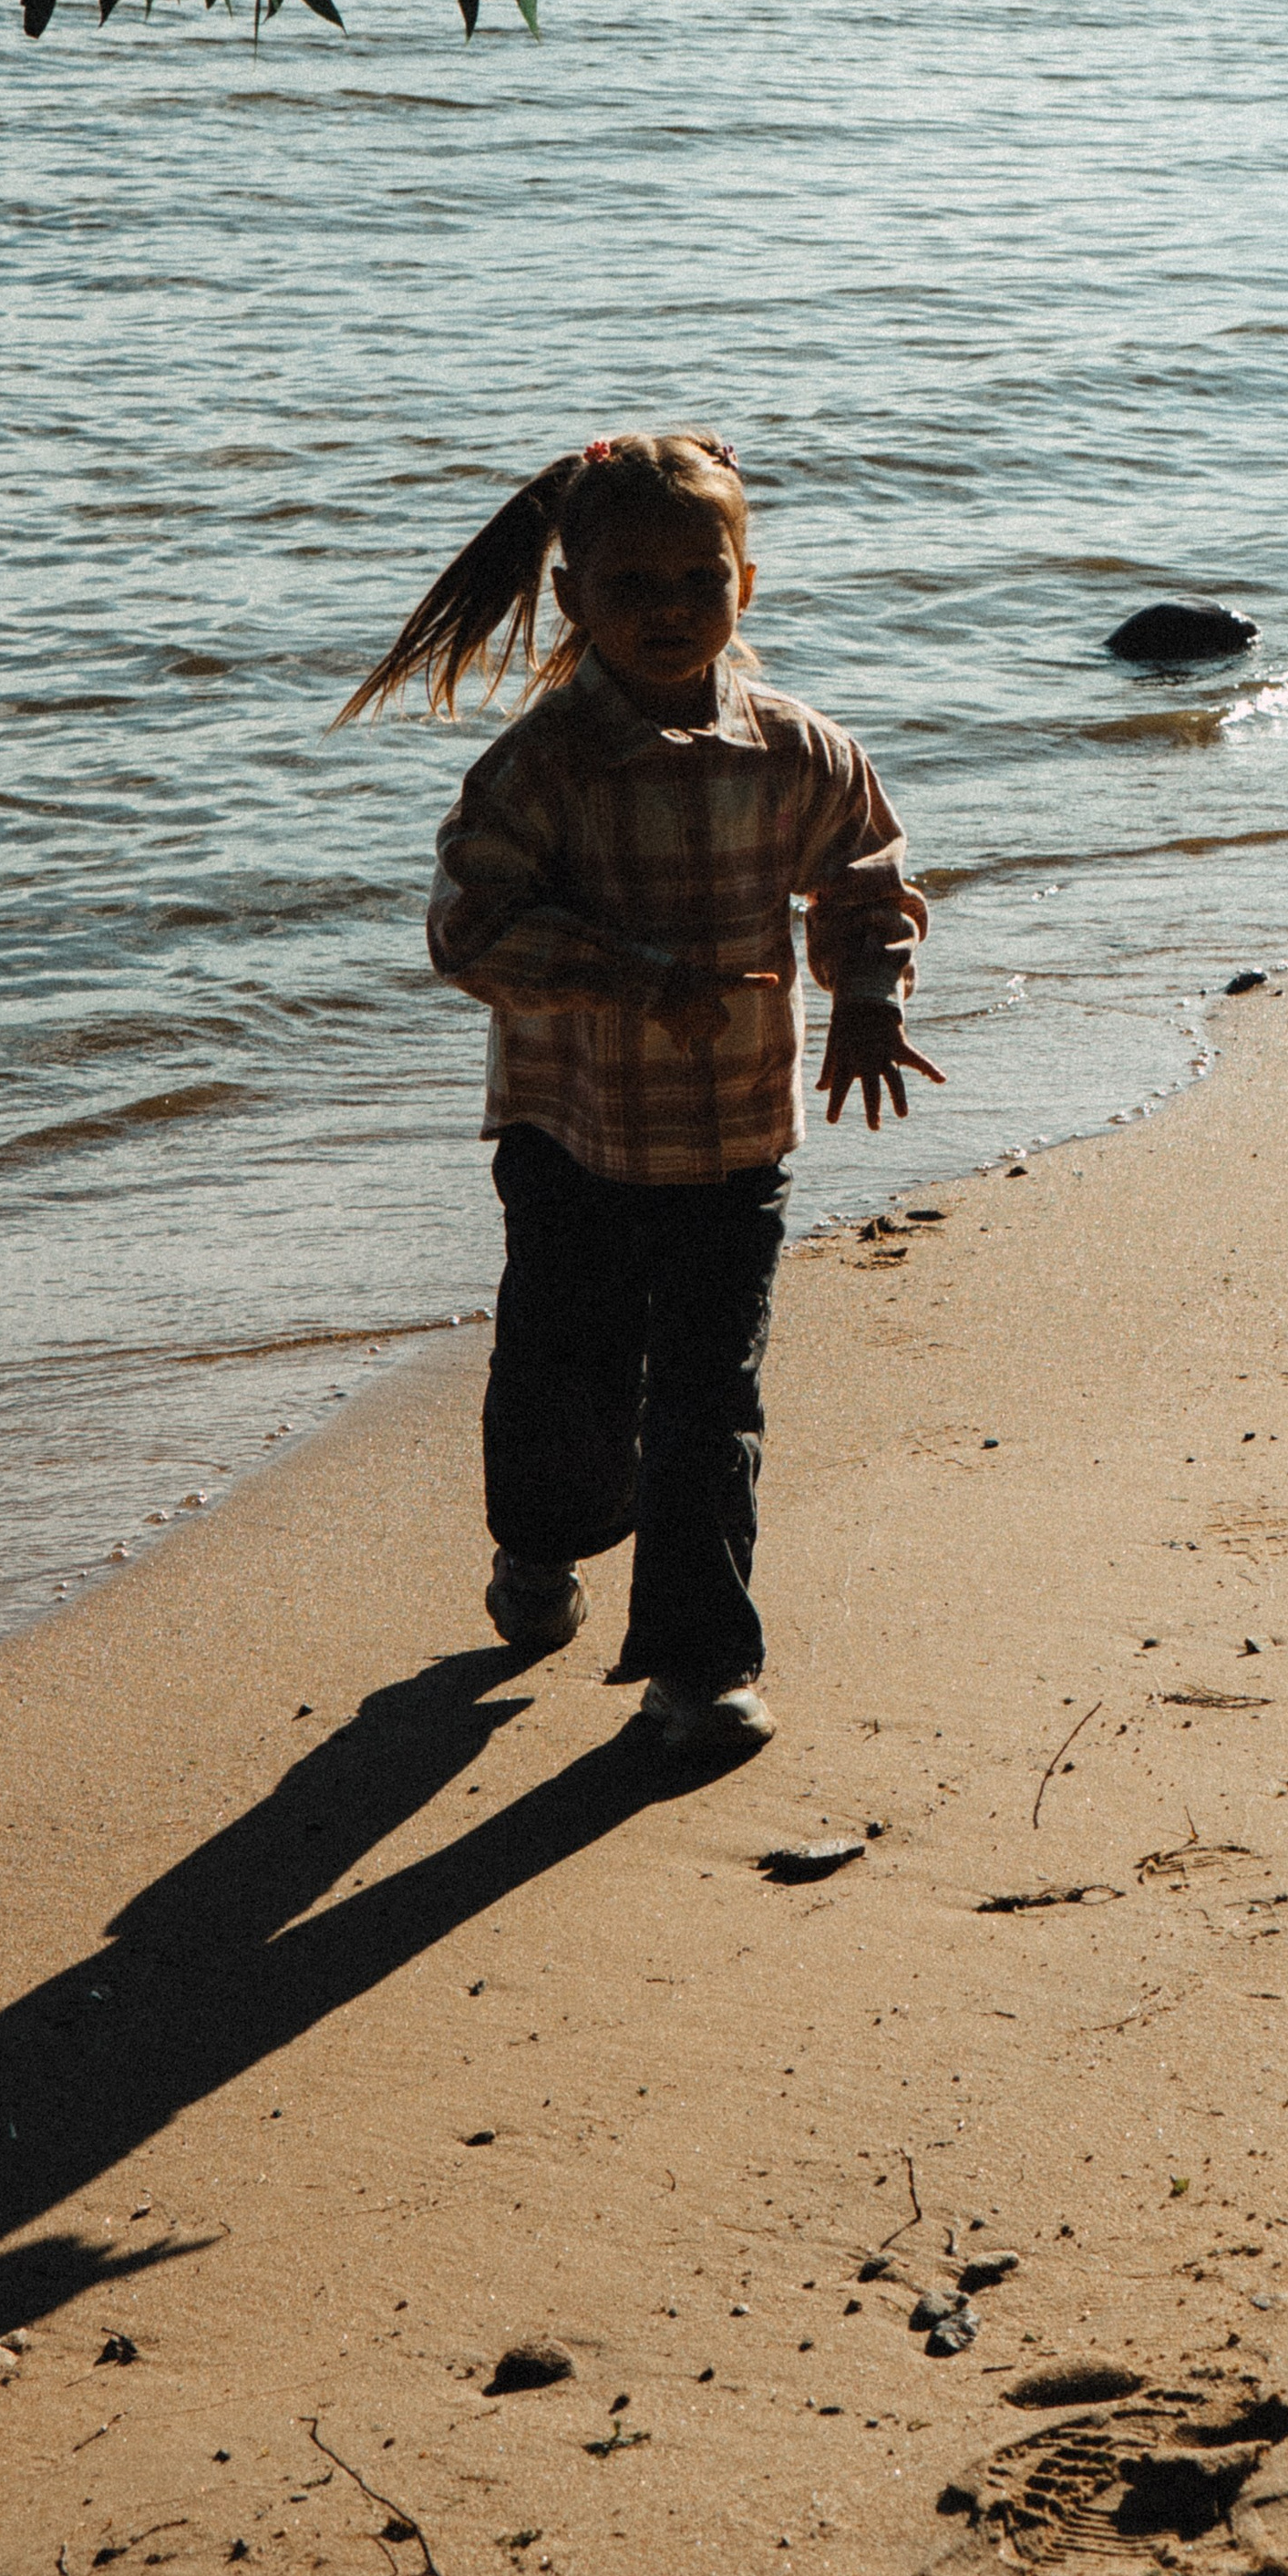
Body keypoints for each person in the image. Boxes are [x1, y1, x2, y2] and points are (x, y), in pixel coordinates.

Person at [337, 428, 939, 1759]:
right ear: (573, 603)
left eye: (699, 581)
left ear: (747, 583)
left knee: (711, 1406)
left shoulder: (797, 751)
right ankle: (543, 1547)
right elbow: (469, 934)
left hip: (737, 1144)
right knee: (570, 1385)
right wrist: (624, 974)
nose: (670, 613)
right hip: (573, 1145)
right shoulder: (539, 770)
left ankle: (699, 1668)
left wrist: (868, 998)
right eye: (633, 588)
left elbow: (864, 878)